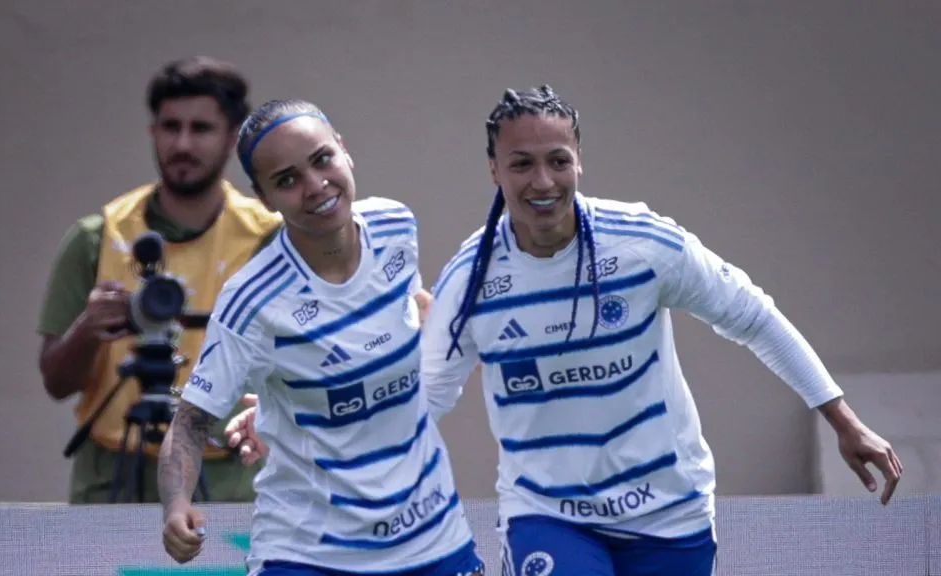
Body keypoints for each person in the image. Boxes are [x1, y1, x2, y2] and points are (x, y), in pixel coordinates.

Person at [227, 85, 905, 575]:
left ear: (580, 161)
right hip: (548, 514)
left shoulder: (644, 244)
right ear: (495, 170)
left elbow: (753, 317)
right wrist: (300, 413)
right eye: (521, 164)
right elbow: (422, 395)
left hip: (670, 507)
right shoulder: (472, 278)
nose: (542, 180)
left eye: (557, 160)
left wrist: (843, 420)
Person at [158, 98, 485, 576]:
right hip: (308, 553)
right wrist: (175, 505)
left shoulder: (395, 226)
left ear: (344, 151)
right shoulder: (252, 300)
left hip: (431, 536)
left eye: (322, 159)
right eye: (287, 180)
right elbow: (190, 424)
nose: (315, 186)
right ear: (265, 198)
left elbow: (407, 312)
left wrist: (296, 405)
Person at [36, 56, 281, 504]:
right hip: (112, 476)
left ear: (232, 138)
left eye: (201, 128)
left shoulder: (270, 240)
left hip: (226, 478)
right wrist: (88, 330)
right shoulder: (97, 238)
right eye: (170, 126)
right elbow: (55, 382)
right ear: (153, 131)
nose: (182, 143)